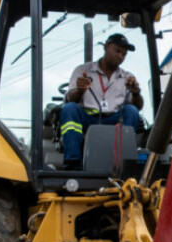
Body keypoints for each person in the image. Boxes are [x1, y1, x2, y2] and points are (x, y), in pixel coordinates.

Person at [59, 33, 144, 168]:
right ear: (106, 47)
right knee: (69, 109)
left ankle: (125, 163)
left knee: (131, 111)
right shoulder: (83, 70)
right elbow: (71, 98)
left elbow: (138, 107)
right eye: (117, 51)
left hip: (113, 120)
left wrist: (136, 92)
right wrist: (80, 90)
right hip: (88, 118)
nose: (120, 56)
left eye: (123, 54)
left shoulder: (127, 77)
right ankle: (73, 162)